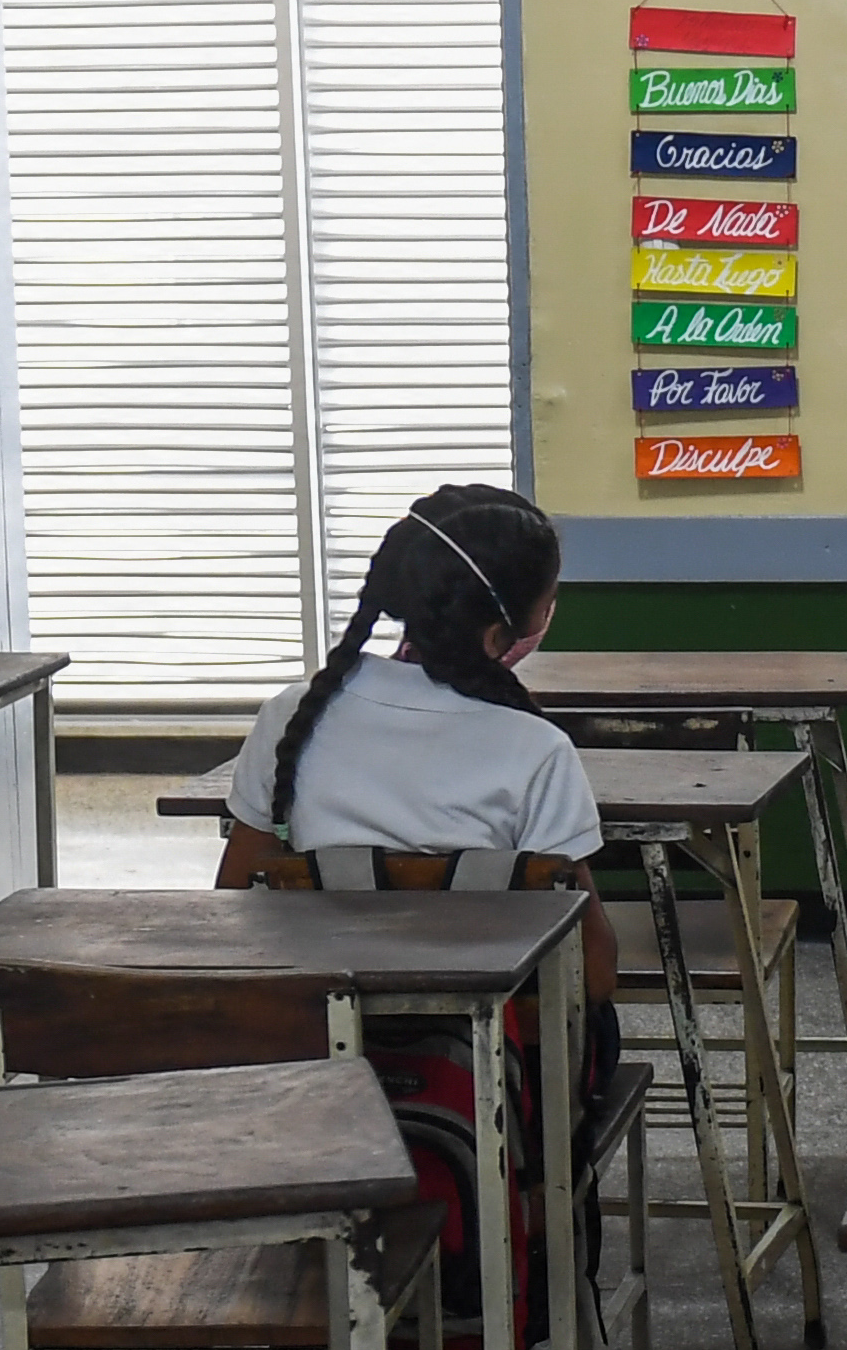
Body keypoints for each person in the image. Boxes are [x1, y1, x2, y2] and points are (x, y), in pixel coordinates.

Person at [217, 484, 625, 1184]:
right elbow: (592, 972)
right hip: (486, 1065)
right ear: (503, 635)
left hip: (314, 1053)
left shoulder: (295, 715)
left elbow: (233, 903)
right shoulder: (535, 750)